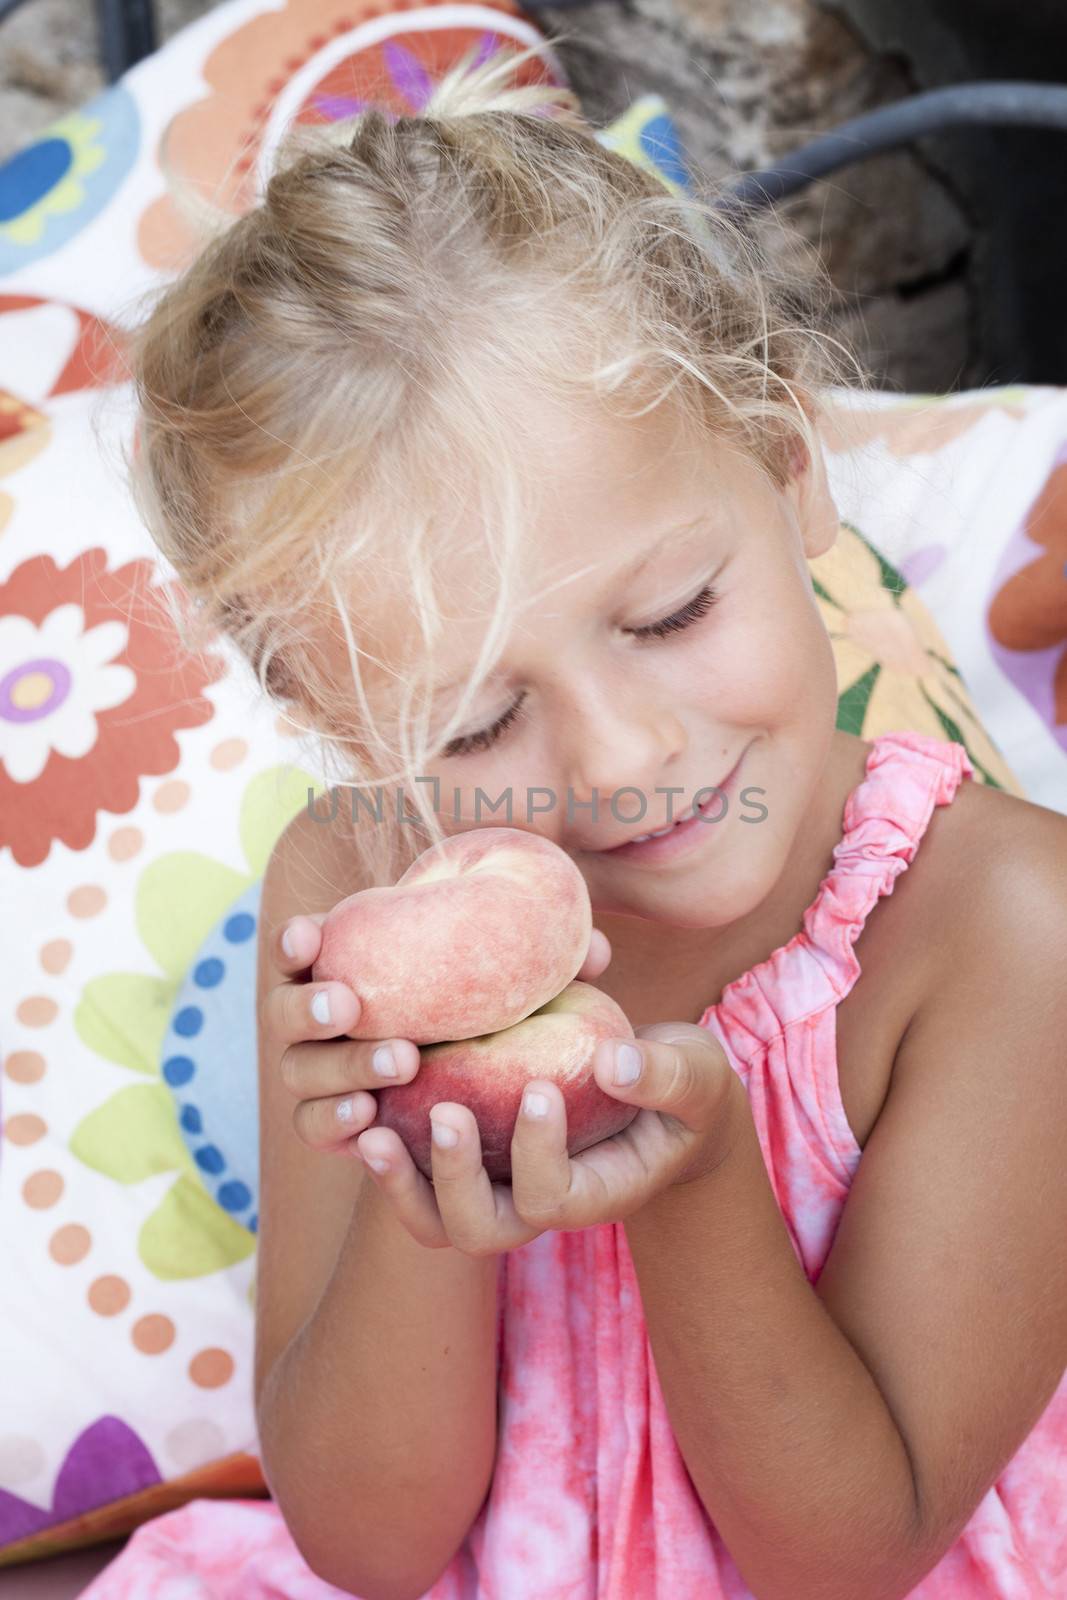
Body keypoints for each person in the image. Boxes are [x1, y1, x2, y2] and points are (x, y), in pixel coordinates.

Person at [97, 36, 1067, 1600]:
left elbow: (847, 1551)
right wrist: (422, 1199)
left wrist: (689, 1189)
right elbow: (371, 1541)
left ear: (785, 459)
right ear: (337, 715)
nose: (619, 761)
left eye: (675, 612)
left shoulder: (1004, 931)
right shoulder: (357, 884)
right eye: (476, 720)